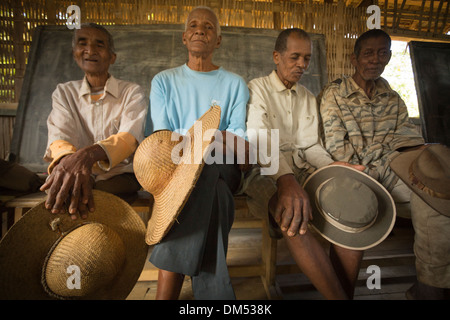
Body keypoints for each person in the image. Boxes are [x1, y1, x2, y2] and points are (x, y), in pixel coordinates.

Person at [243, 28, 366, 299]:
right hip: (265, 171)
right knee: (291, 214)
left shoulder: (308, 97)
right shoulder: (256, 88)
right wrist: (285, 180)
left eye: (307, 59)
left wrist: (333, 167)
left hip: (303, 169)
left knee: (351, 211)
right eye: (295, 57)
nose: (302, 65)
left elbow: (311, 146)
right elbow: (259, 138)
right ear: (277, 56)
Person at [145, 6, 250, 300]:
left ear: (217, 40)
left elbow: (238, 142)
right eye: (193, 25)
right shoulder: (163, 82)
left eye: (208, 27)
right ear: (184, 37)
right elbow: (164, 141)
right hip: (177, 170)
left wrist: (207, 139)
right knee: (215, 192)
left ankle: (165, 293)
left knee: (210, 165)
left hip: (222, 163)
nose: (200, 30)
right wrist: (214, 137)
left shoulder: (235, 84)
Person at [319, 29, 428, 295]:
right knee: (352, 208)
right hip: (353, 172)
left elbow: (406, 140)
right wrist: (371, 172)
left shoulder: (393, 98)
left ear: (389, 58)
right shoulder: (335, 95)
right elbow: (337, 149)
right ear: (354, 59)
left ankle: (430, 282)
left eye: (381, 53)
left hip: (390, 170)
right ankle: (342, 292)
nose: (374, 60)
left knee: (432, 201)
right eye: (368, 53)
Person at [41, 23, 148, 219]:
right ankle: (72, 247)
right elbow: (59, 138)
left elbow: (129, 138)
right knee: (64, 186)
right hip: (73, 171)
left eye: (99, 45)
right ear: (75, 53)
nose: (90, 50)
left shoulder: (131, 92)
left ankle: (102, 244)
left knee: (96, 194)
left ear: (112, 57)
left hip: (119, 175)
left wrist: (88, 157)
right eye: (83, 44)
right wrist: (74, 166)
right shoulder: (64, 93)